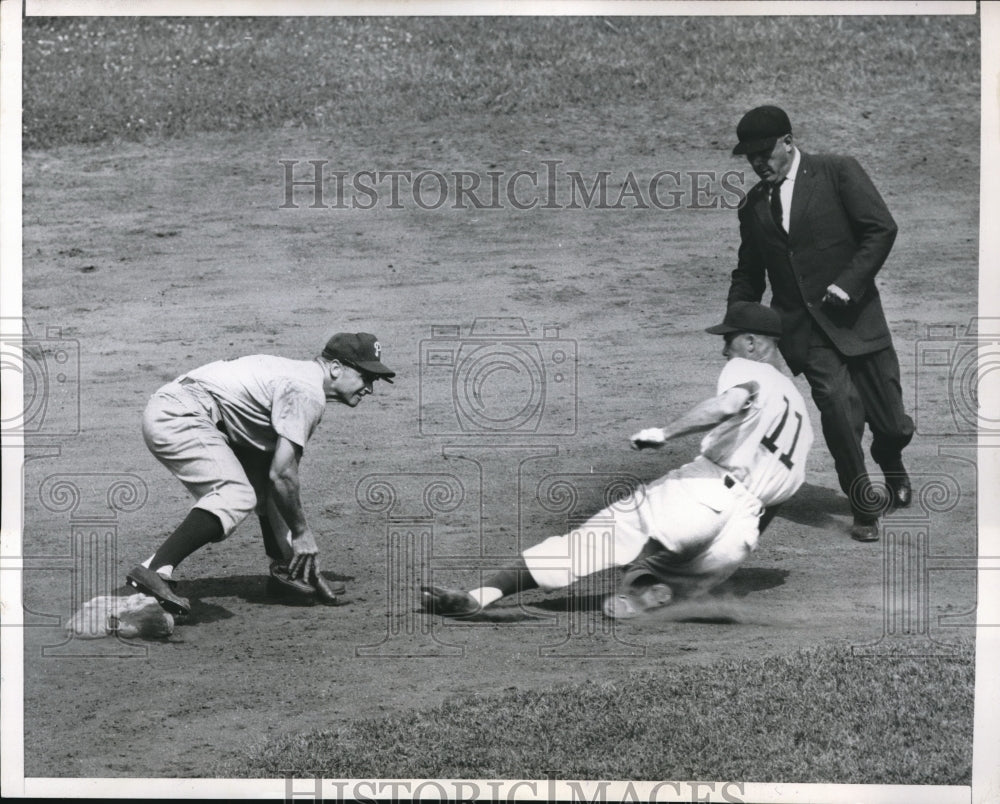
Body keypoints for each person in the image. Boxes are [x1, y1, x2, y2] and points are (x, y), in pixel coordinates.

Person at [422, 303, 813, 619]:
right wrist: (733, 540)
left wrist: (666, 432)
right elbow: (780, 497)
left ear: (750, 342)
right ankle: (648, 594)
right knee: (665, 571)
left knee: (591, 543)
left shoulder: (750, 369)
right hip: (741, 532)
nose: (723, 350)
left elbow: (727, 404)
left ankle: (481, 595)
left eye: (728, 340)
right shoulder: (801, 416)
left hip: (702, 493)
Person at [726, 105, 914, 542]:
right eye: (749, 156)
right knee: (838, 409)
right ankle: (862, 502)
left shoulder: (836, 172)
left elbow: (880, 229)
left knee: (891, 422)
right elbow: (749, 272)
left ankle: (890, 458)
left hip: (857, 318)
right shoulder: (754, 206)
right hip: (804, 331)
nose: (757, 162)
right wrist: (738, 325)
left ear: (788, 141)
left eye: (764, 152)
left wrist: (848, 283)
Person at [125, 332, 395, 615]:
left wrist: (292, 559)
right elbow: (284, 475)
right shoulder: (307, 391)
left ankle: (286, 572)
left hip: (185, 408)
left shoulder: (298, 376)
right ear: (336, 368)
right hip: (181, 413)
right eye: (366, 377)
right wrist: (302, 533)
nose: (369, 389)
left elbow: (271, 478)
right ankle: (155, 569)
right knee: (236, 494)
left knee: (262, 481)